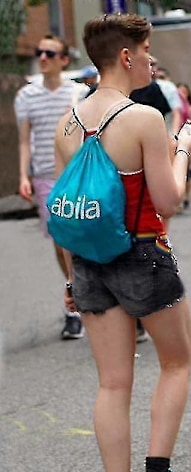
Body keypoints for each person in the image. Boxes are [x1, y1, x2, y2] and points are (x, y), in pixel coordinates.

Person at [53, 13, 191, 472]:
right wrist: (183, 150)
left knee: (113, 383)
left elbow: (68, 213)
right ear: (125, 56)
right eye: (146, 50)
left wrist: (72, 280)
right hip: (142, 254)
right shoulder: (142, 118)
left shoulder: (68, 122)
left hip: (91, 264)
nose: (151, 60)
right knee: (178, 362)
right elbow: (169, 200)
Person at [14, 35, 89, 340]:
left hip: (78, 174)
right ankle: (74, 303)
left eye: (49, 53)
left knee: (80, 238)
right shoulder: (25, 97)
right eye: (39, 52)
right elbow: (23, 141)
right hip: (45, 176)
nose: (42, 57)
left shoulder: (79, 93)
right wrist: (23, 175)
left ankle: (88, 293)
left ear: (63, 60)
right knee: (61, 242)